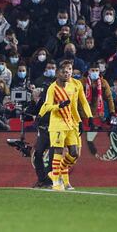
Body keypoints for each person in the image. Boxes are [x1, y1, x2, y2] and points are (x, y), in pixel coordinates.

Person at [39, 60, 93, 191]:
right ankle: (58, 181)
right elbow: (46, 106)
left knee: (74, 153)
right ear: (58, 72)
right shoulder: (53, 87)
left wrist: (88, 117)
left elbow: (83, 102)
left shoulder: (77, 84)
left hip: (72, 122)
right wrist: (58, 107)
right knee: (58, 150)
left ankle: (56, 172)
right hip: (57, 123)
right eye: (64, 70)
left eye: (69, 69)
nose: (67, 72)